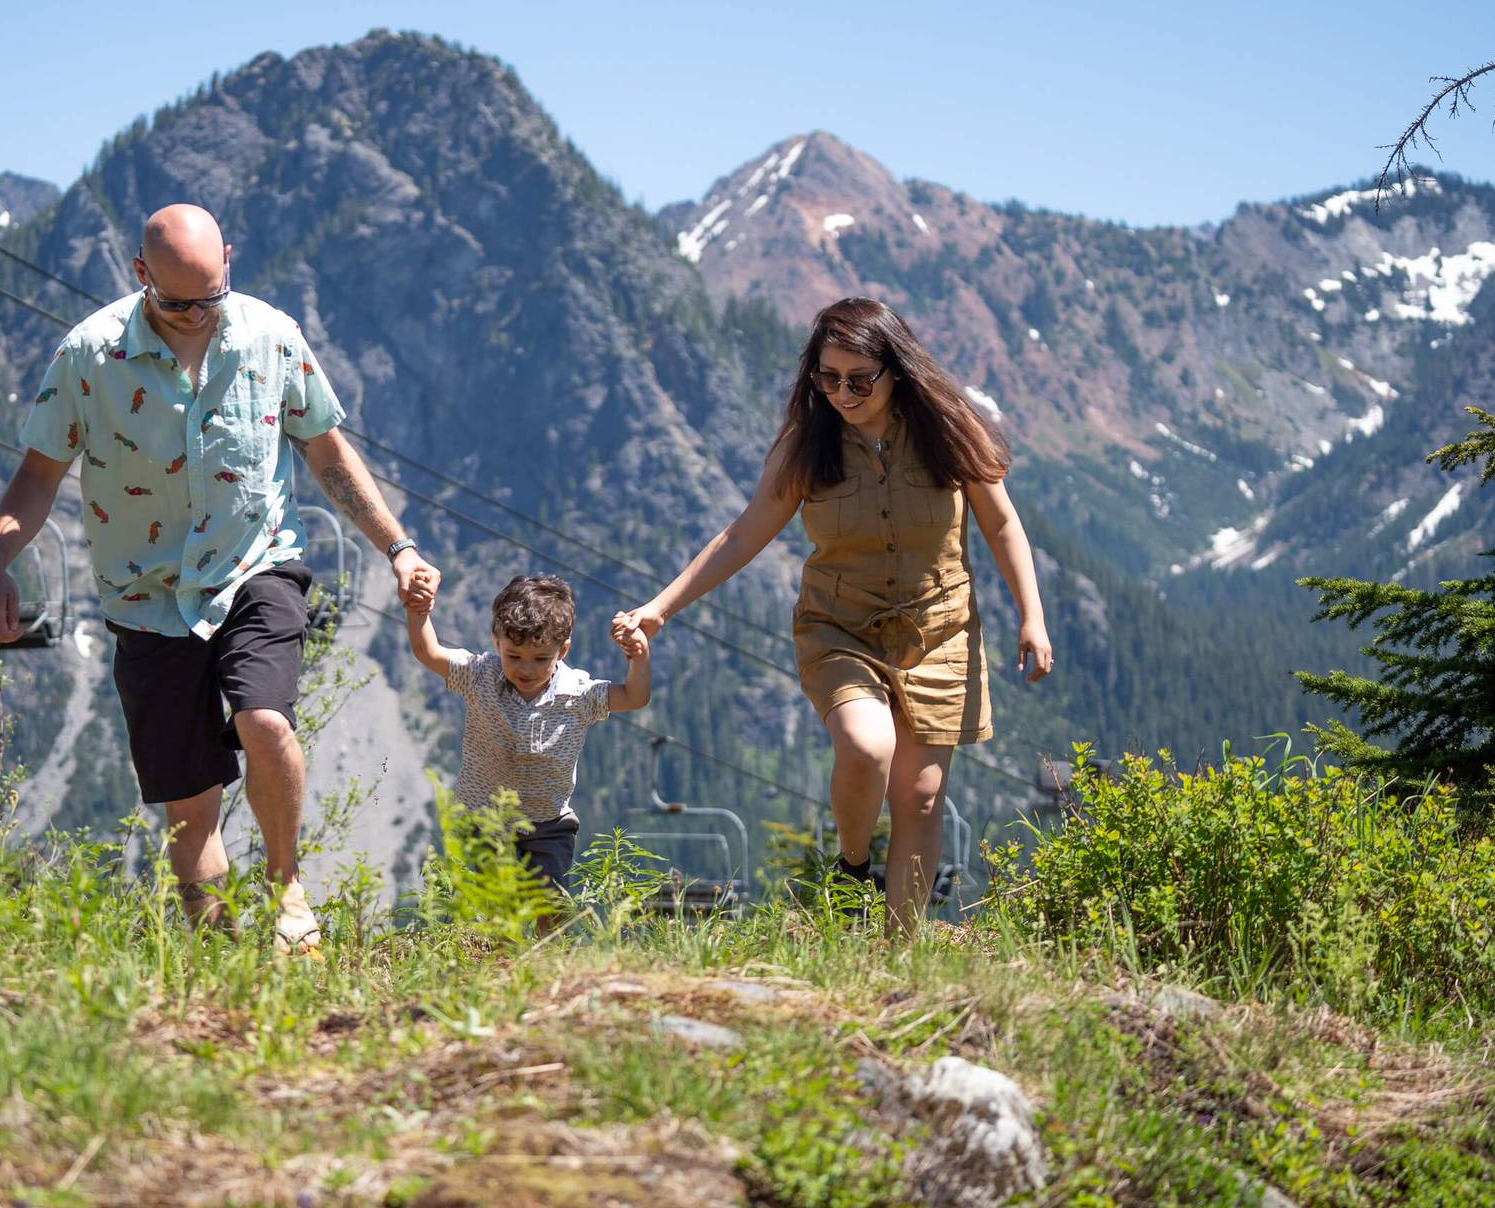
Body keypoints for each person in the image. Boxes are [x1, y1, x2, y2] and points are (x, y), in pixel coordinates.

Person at [0, 204, 437, 956]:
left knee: (265, 721)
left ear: (229, 259)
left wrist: (399, 548)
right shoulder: (88, 355)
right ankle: (222, 961)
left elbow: (327, 453)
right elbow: (38, 473)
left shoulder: (272, 336)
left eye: (210, 298)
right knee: (191, 810)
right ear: (140, 275)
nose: (195, 315)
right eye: (175, 302)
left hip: (257, 566)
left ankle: (287, 891)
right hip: (145, 596)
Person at [612, 297, 1051, 935]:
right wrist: (660, 607)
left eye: (859, 380)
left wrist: (1031, 615)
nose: (842, 393)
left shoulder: (949, 426)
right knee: (866, 747)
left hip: (940, 631)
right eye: (828, 378)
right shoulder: (807, 443)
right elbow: (743, 534)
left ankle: (900, 953)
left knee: (921, 798)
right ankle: (851, 867)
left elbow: (1002, 523)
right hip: (840, 626)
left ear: (896, 369)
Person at [405, 573, 650, 892]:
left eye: (540, 659)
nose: (526, 669)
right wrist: (418, 608)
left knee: (550, 904)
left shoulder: (578, 694)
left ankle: (548, 929)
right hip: (485, 819)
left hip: (549, 824)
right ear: (497, 642)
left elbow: (633, 696)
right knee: (494, 905)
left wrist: (638, 656)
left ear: (562, 650)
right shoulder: (479, 675)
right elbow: (427, 651)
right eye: (514, 656)